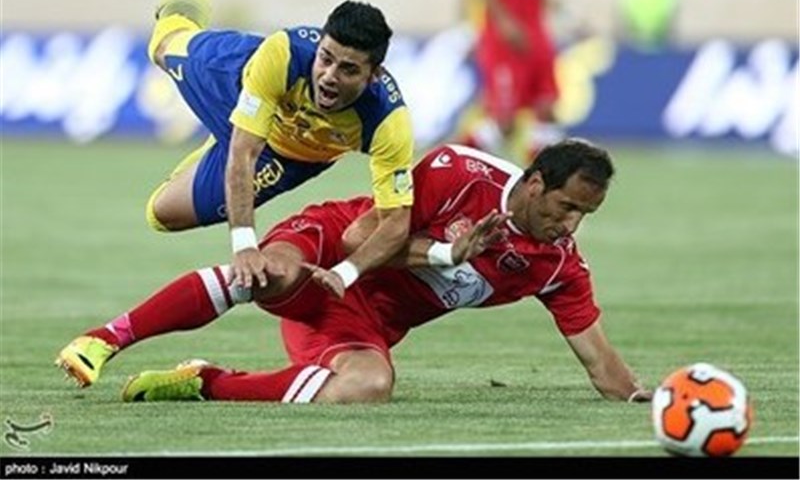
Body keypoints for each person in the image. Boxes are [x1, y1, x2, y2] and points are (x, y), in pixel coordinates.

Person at [56, 139, 652, 405]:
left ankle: (206, 383)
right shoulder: (460, 173)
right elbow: (357, 239)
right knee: (269, 273)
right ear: (535, 183)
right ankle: (106, 338)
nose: (571, 225)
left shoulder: (557, 266)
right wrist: (445, 254)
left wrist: (643, 398)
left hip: (354, 320)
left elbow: (601, 363)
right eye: (567, 207)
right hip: (322, 246)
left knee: (369, 386)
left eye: (585, 215)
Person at [136, 0, 414, 294]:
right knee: (163, 44)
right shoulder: (282, 53)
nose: (329, 76)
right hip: (235, 83)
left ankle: (224, 141)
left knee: (162, 215)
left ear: (373, 75)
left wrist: (345, 273)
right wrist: (245, 245)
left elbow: (396, 221)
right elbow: (244, 152)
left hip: (288, 155)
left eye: (348, 69)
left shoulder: (388, 122)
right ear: (318, 46)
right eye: (325, 59)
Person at [459, 0, 565, 163]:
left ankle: (540, 178)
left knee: (547, 107)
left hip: (537, 30)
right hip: (504, 35)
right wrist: (504, 22)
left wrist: (561, 9)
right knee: (505, 122)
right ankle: (452, 165)